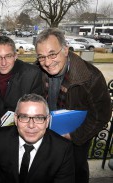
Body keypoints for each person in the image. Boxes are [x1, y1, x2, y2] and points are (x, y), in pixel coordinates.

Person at [35, 28, 112, 183]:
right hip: (46, 134)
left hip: (75, 139)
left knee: (76, 173)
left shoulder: (91, 77)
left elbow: (102, 114)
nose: (47, 63)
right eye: (41, 57)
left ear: (65, 49)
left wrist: (74, 136)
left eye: (52, 54)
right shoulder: (37, 70)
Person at [0, 94, 75, 183]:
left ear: (47, 120)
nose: (31, 125)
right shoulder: (0, 137)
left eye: (39, 118)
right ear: (15, 119)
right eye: (24, 117)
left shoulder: (62, 149)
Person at [0, 35, 43, 116]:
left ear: (15, 56)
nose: (3, 63)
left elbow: (37, 110)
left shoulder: (32, 75)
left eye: (8, 56)